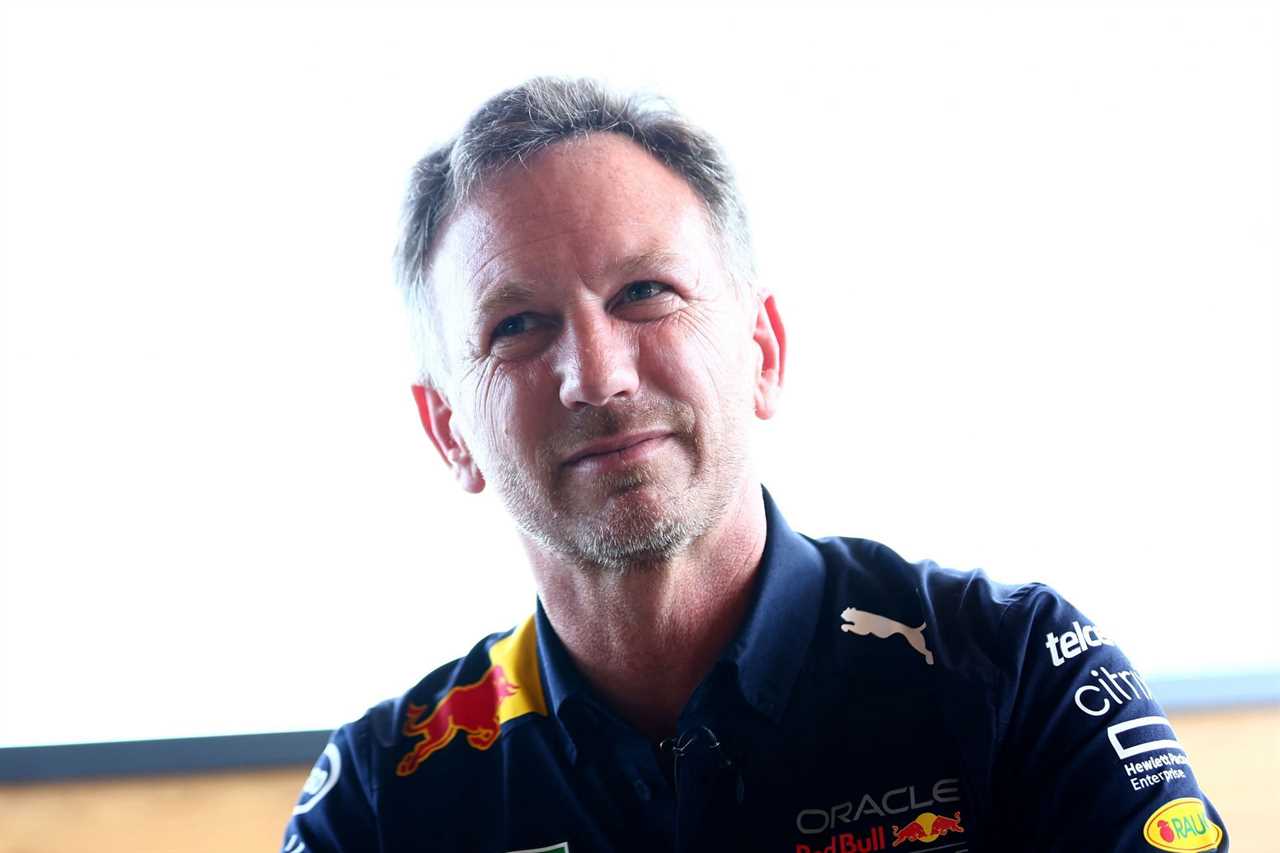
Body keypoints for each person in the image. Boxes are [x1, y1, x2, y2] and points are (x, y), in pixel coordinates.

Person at [282, 78, 1228, 853]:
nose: (597, 376)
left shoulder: (1019, 671)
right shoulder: (382, 799)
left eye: (645, 292)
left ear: (762, 351)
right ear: (449, 429)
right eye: (516, 325)